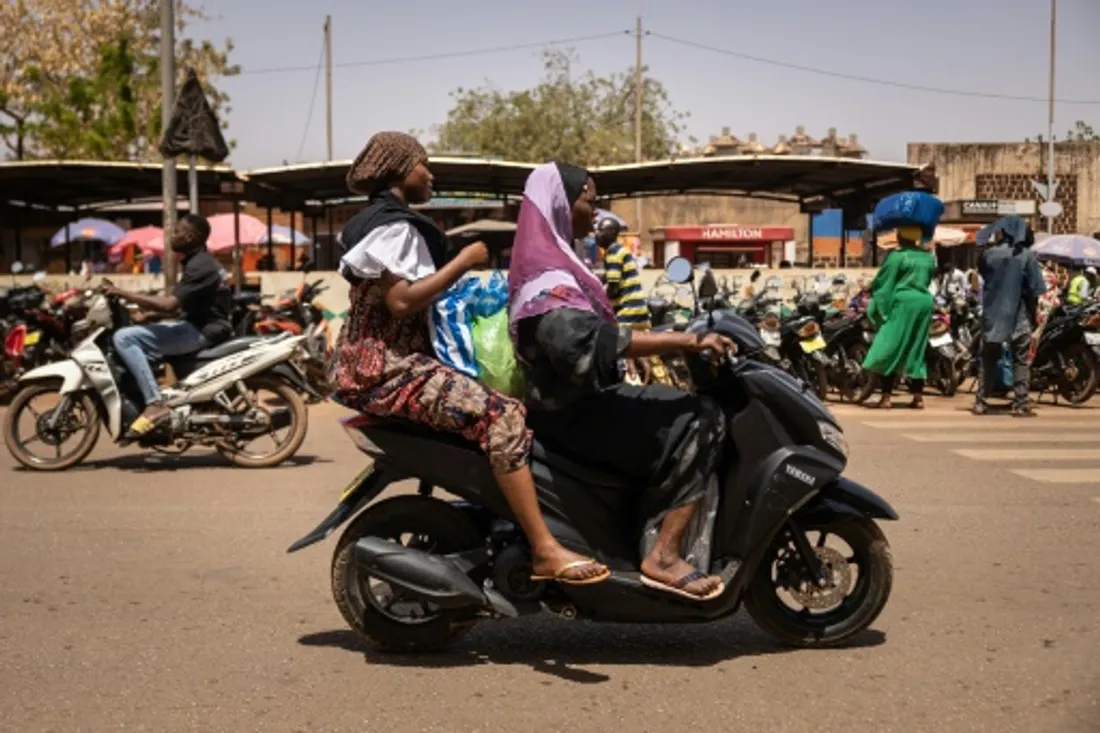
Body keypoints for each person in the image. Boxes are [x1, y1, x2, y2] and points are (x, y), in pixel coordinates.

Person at [328, 132, 607, 586]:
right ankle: (544, 549)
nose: (430, 174)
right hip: (390, 368)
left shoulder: (372, 221)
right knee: (503, 416)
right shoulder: (395, 227)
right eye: (423, 165)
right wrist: (464, 262)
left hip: (370, 362)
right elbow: (402, 302)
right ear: (401, 170)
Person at [509, 162, 734, 601]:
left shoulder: (559, 260)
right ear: (560, 203)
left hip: (575, 403)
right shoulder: (547, 277)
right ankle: (664, 555)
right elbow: (588, 343)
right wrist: (684, 340)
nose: (596, 211)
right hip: (573, 413)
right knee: (702, 416)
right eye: (589, 200)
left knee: (669, 404)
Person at [102, 214, 232, 435]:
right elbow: (185, 304)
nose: (172, 236)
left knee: (125, 338)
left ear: (193, 237)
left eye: (178, 231)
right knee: (138, 337)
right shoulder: (197, 261)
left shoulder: (200, 266)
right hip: (198, 325)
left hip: (202, 331)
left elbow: (170, 305)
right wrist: (149, 317)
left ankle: (155, 404)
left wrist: (122, 292)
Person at [974, 215, 1046, 417]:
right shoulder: (1027, 256)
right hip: (1019, 314)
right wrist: (1034, 315)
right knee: (1020, 360)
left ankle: (980, 402)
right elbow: (1035, 289)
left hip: (992, 313)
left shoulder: (988, 255)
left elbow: (983, 275)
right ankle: (1021, 403)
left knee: (988, 358)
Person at [862, 226, 936, 409]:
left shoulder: (897, 256)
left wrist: (874, 296)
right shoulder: (928, 257)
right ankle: (918, 397)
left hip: (903, 303)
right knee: (916, 348)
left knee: (891, 347)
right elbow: (927, 279)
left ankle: (886, 397)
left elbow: (884, 282)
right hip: (925, 303)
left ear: (901, 237)